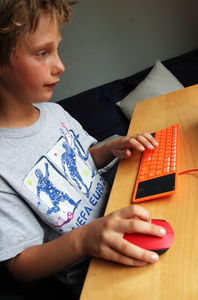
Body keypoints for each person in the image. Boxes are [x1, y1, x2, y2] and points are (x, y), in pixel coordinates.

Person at [0, 0, 166, 298]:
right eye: (42, 53)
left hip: (124, 209)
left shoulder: (54, 113)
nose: (60, 65)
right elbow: (20, 264)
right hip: (96, 268)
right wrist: (84, 240)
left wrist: (112, 147)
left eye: (57, 49)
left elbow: (81, 160)